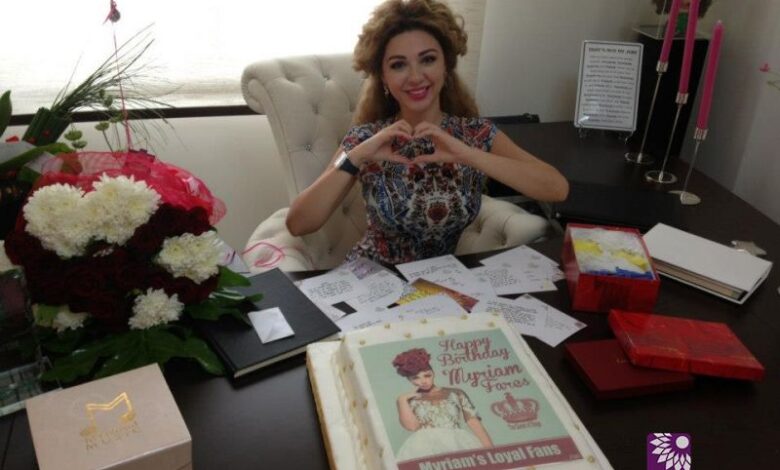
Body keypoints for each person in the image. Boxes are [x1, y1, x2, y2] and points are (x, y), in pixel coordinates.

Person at [286, 0, 568, 265]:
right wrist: (356, 157)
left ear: (446, 66)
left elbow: (556, 188)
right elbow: (298, 223)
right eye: (398, 65)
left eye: (428, 59)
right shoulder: (366, 138)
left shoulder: (475, 134)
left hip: (440, 282)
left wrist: (467, 154)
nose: (415, 76)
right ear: (383, 77)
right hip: (372, 280)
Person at [392, 348, 493, 460]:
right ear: (409, 379)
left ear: (433, 373)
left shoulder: (456, 393)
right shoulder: (409, 400)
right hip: (424, 447)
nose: (423, 381)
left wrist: (492, 452)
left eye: (427, 375)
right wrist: (401, 400)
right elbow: (412, 427)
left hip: (457, 443)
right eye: (416, 378)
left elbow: (473, 422)